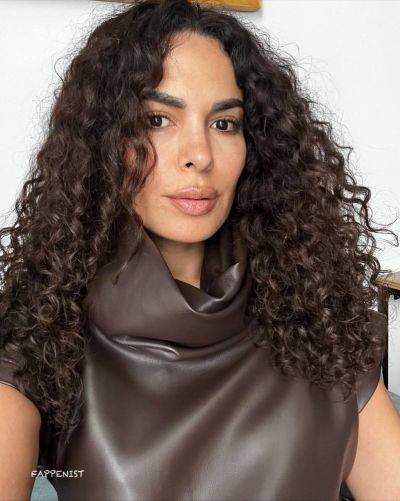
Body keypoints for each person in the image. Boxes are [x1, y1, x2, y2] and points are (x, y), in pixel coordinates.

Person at [0, 0, 399, 499]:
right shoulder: (39, 337)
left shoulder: (318, 325)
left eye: (224, 124)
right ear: (103, 140)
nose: (199, 156)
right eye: (157, 119)